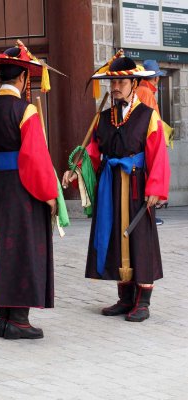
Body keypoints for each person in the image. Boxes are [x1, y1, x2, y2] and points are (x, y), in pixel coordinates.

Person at [62, 50, 170, 322]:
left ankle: (142, 301)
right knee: (115, 237)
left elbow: (157, 153)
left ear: (134, 84)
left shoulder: (148, 116)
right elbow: (94, 150)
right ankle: (124, 298)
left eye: (121, 83)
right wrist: (76, 169)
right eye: (112, 82)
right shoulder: (104, 117)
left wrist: (156, 188)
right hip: (110, 186)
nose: (115, 87)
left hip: (137, 185)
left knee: (139, 240)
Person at [0, 40, 59, 339]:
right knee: (22, 248)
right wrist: (49, 194)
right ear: (22, 78)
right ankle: (18, 320)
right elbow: (34, 157)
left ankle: (4, 319)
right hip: (23, 189)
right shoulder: (26, 110)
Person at [135, 60, 168, 226]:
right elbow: (150, 121)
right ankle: (149, 215)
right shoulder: (146, 92)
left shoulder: (140, 90)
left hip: (139, 143)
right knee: (151, 177)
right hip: (148, 142)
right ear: (154, 78)